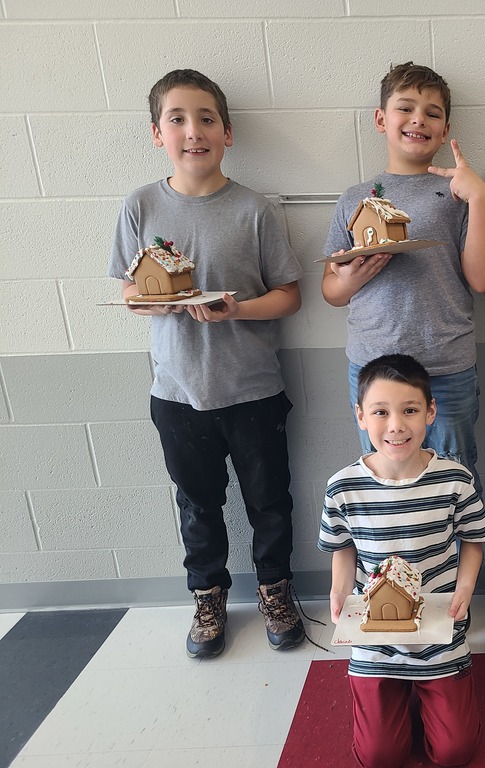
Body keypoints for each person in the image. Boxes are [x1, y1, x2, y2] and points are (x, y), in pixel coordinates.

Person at [108, 69, 305, 658]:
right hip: (177, 393)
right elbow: (129, 294)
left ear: (228, 132)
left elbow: (289, 296)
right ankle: (208, 593)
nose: (193, 131)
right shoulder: (139, 206)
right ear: (155, 133)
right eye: (177, 119)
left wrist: (236, 309)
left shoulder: (254, 210)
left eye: (206, 119)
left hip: (253, 390)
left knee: (270, 500)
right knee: (197, 503)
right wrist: (155, 301)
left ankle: (276, 589)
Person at [321, 62, 485, 490]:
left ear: (445, 130)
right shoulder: (354, 199)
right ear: (381, 120)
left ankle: (456, 560)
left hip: (446, 367)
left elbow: (484, 279)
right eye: (406, 108)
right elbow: (331, 290)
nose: (419, 119)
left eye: (432, 113)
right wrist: (350, 280)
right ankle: (390, 561)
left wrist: (479, 197)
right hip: (373, 368)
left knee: (454, 479)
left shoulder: (458, 193)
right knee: (382, 480)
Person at [319, 354, 485, 768]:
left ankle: (439, 693)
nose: (396, 425)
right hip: (374, 637)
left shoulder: (454, 479)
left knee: (455, 754)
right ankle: (394, 695)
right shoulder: (342, 487)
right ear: (360, 416)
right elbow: (342, 547)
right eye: (381, 412)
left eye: (410, 410)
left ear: (430, 413)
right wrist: (339, 590)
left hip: (438, 630)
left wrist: (465, 590)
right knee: (380, 757)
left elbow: (474, 540)